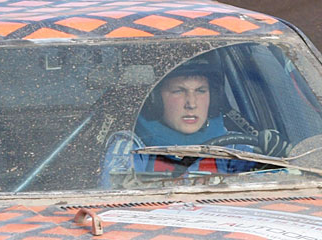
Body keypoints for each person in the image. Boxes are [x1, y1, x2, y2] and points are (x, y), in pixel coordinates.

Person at [100, 63, 256, 186]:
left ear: (213, 98)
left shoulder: (235, 148)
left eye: (201, 91)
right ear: (156, 100)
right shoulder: (131, 147)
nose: (191, 104)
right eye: (178, 91)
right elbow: (117, 200)